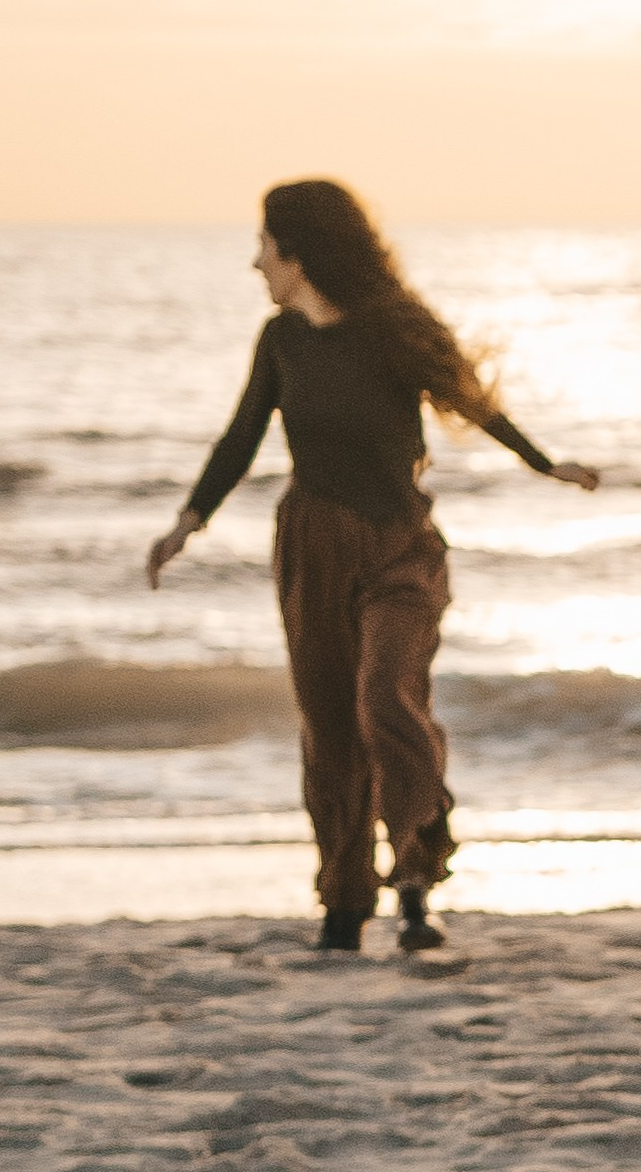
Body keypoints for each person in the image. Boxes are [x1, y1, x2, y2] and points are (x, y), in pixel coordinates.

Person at [146, 179, 599, 955]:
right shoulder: (280, 340)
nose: (255, 262)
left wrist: (545, 464)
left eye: (264, 245)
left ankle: (418, 868)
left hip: (398, 544)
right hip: (310, 546)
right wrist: (189, 521)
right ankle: (345, 901)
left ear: (300, 252)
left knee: (383, 696)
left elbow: (472, 401)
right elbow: (241, 435)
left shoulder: (396, 328)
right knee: (328, 728)